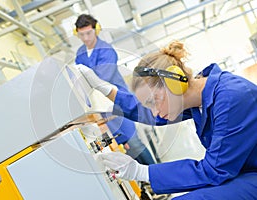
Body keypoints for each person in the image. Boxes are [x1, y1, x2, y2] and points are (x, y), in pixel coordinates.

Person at [76, 40, 257, 199]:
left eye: (154, 101)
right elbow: (149, 112)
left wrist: (142, 171)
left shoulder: (231, 98)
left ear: (174, 83)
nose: (154, 113)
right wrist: (106, 90)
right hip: (242, 170)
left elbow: (214, 170)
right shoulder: (199, 97)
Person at [74, 14, 155, 165]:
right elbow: (80, 79)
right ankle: (144, 181)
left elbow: (101, 77)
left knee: (133, 142)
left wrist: (86, 78)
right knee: (121, 146)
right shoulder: (80, 53)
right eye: (81, 34)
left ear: (96, 30)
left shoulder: (106, 49)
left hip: (118, 102)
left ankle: (157, 175)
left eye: (88, 33)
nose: (85, 38)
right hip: (101, 108)